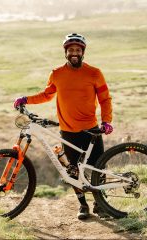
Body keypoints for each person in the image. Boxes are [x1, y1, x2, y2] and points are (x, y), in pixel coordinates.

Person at [14, 33, 113, 220]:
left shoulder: (94, 73)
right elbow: (46, 94)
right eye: (71, 50)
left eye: (78, 50)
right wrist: (26, 99)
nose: (74, 53)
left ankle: (101, 203)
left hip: (90, 129)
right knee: (73, 170)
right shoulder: (57, 74)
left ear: (83, 52)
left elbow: (105, 99)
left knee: (98, 167)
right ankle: (83, 205)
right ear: (66, 52)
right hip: (68, 130)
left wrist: (106, 121)